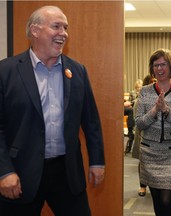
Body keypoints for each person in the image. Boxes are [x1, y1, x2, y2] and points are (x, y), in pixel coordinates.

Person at [0, 6, 105, 216]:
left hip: (67, 172)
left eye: (65, 28)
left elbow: (91, 121)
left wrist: (97, 161)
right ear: (35, 31)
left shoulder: (77, 71)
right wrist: (4, 171)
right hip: (21, 172)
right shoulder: (6, 71)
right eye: (56, 26)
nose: (63, 33)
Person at [135, 48, 171, 216]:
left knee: (167, 201)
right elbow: (139, 123)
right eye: (155, 65)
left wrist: (166, 110)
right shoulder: (145, 91)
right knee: (158, 202)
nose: (159, 69)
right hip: (149, 152)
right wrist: (154, 111)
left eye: (163, 64)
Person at [132, 74, 156, 197]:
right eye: (153, 82)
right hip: (143, 135)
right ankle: (142, 186)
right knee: (143, 162)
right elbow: (138, 120)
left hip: (156, 137)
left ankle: (154, 185)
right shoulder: (140, 100)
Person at [124, 79, 143, 153]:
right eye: (137, 87)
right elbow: (129, 102)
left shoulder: (143, 92)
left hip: (139, 110)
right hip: (132, 109)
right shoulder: (132, 92)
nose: (138, 89)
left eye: (140, 87)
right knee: (131, 113)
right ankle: (131, 130)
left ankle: (131, 131)